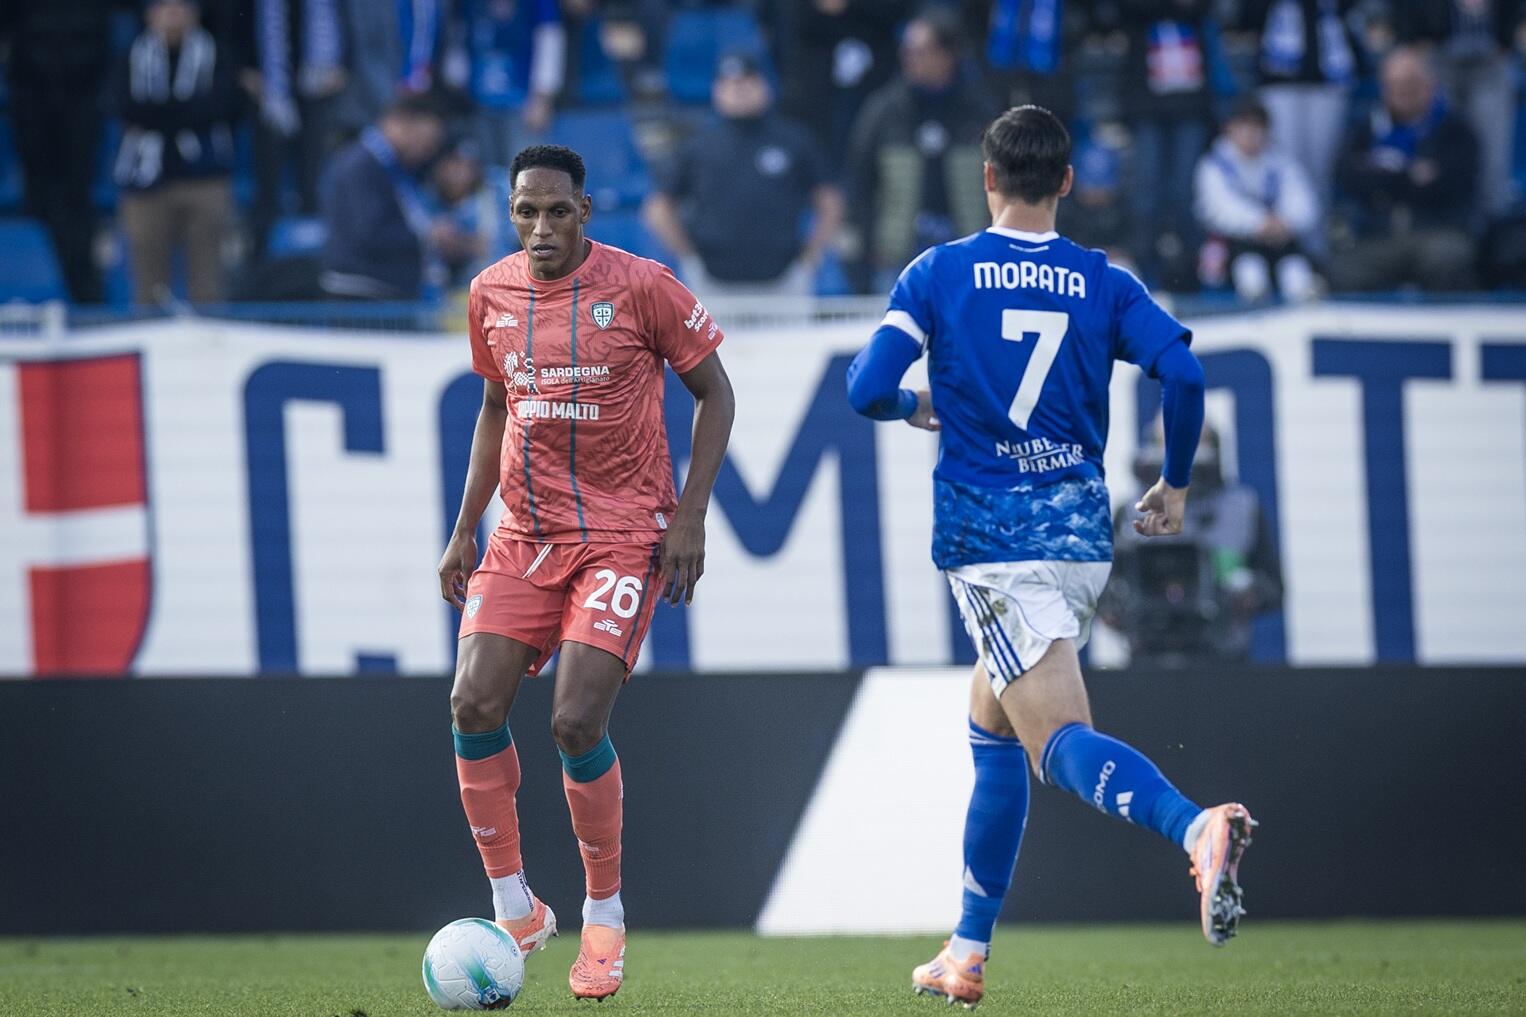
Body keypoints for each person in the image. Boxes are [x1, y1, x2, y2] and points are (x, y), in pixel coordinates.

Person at [845, 104, 1255, 1009]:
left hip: (994, 545)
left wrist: (919, 409)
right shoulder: (1104, 280)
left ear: (986, 177)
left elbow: (865, 387)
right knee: (992, 731)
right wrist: (1177, 486)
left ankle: (1195, 827)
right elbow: (1183, 375)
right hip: (1079, 537)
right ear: (1066, 182)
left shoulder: (939, 272)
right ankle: (966, 949)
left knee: (1057, 744)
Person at [438, 145, 735, 1001]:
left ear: (586, 210)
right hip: (524, 533)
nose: (539, 228)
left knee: (573, 721)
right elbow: (496, 405)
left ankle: (603, 915)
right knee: (472, 700)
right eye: (524, 211)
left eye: (556, 211)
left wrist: (689, 514)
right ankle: (516, 906)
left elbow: (716, 392)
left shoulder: (642, 285)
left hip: (620, 533)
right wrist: (465, 528)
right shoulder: (490, 292)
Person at [643, 51, 845, 298]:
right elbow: (658, 207)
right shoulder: (698, 147)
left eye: (748, 81)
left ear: (765, 86)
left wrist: (811, 256)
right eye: (730, 83)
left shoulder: (794, 140)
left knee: (790, 339)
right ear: (717, 91)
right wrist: (689, 258)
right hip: (712, 283)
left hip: (785, 282)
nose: (739, 90)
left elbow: (829, 200)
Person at [1103, 422, 1283, 664]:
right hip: (1146, 658)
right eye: (1167, 442)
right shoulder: (1130, 511)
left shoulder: (1242, 507)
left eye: (1193, 441)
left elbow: (1274, 587)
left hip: (1224, 658)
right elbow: (1102, 588)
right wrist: (1113, 609)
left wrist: (1247, 594)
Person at [846, 5, 999, 291]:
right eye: (907, 50)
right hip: (897, 254)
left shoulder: (979, 111)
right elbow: (860, 182)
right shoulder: (883, 111)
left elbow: (1003, 180)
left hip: (966, 251)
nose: (910, 59)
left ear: (947, 54)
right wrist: (869, 244)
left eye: (921, 51)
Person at [113, 0, 239, 305]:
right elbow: (125, 107)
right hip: (144, 180)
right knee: (148, 285)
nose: (173, 11)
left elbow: (223, 106)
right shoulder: (130, 55)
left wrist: (159, 114)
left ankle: (211, 346)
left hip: (205, 176)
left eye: (182, 5)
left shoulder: (217, 54)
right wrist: (186, 112)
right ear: (148, 13)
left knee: (208, 283)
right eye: (164, 4)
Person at [1330, 46, 1480, 292]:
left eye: (1410, 82)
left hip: (1435, 231)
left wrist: (1383, 176)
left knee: (1448, 258)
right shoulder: (1365, 129)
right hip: (1379, 236)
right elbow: (1348, 176)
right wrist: (1409, 175)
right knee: (1343, 270)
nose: (1402, 91)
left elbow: (1454, 185)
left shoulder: (1455, 129)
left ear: (1429, 84)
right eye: (1393, 83)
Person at [1394, 0, 1523, 216]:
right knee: (1440, 148)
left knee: (1491, 157)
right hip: (1441, 60)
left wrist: (1508, 37)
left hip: (1491, 62)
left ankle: (1491, 229)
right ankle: (1443, 224)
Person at [317, 92, 446, 299]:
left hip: (380, 291)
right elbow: (371, 232)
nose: (428, 151)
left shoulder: (389, 165)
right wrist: (428, 237)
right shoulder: (362, 165)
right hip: (361, 296)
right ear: (400, 123)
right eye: (425, 141)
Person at [1193, 98, 1320, 301]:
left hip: (1278, 239)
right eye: (1245, 127)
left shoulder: (1281, 162)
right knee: (1250, 271)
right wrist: (1259, 223)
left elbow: (1304, 203)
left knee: (1295, 270)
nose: (1252, 135)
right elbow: (1218, 209)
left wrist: (1286, 222)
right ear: (1230, 129)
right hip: (1235, 243)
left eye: (1258, 128)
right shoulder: (1214, 165)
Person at [1243, 0, 1360, 210]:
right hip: (1278, 77)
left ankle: (1316, 238)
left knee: (1320, 169)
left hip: (1328, 74)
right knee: (1284, 165)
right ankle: (1284, 234)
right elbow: (1246, 16)